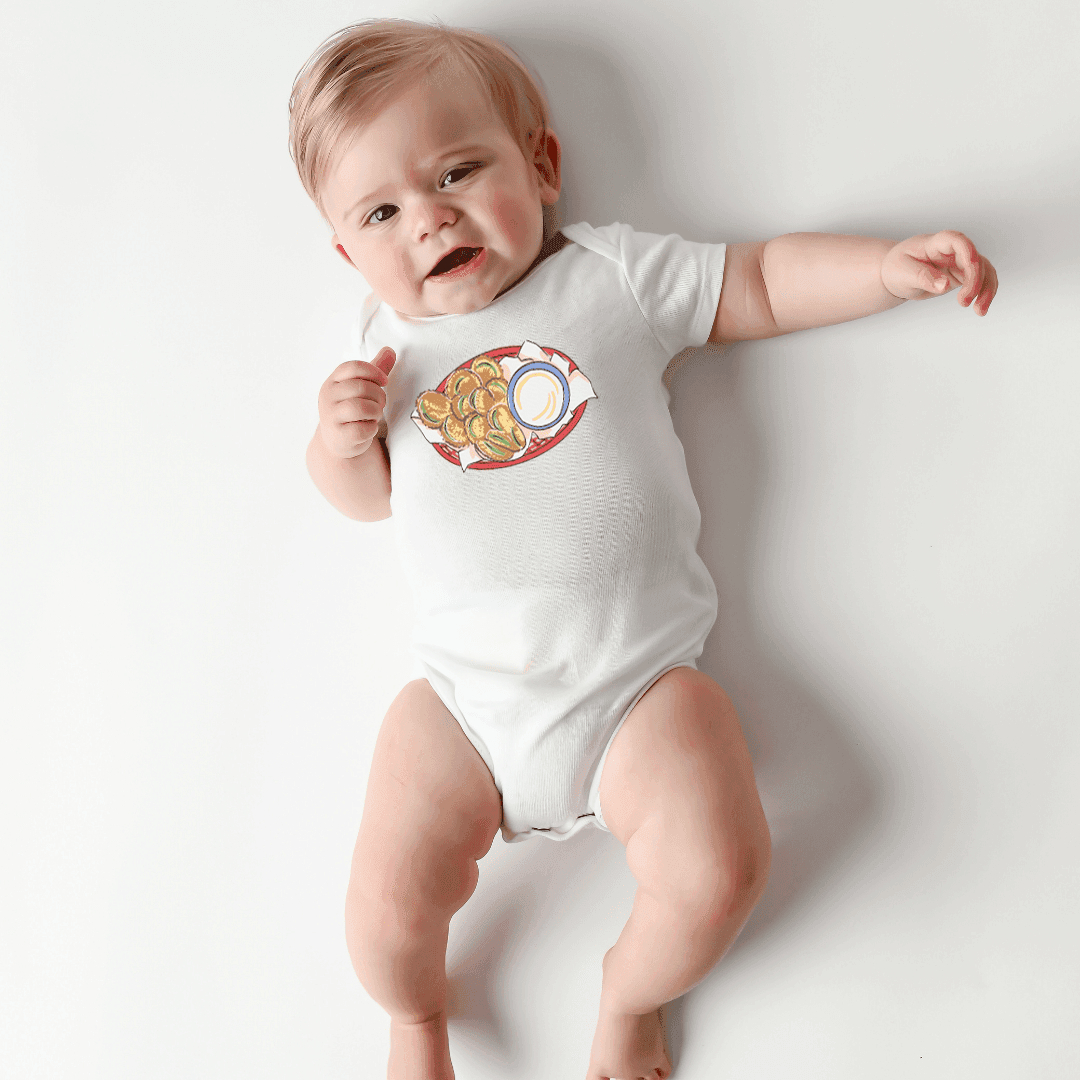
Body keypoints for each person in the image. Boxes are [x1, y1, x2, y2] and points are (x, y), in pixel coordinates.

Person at [288, 18, 998, 1080]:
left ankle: (630, 994)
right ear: (350, 251)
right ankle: (417, 1018)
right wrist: (336, 446)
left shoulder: (608, 277)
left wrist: (882, 271)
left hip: (637, 691)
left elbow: (756, 283)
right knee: (384, 918)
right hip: (466, 705)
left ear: (541, 165)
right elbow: (366, 503)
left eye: (459, 171)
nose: (430, 219)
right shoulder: (380, 351)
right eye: (383, 211)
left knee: (718, 870)